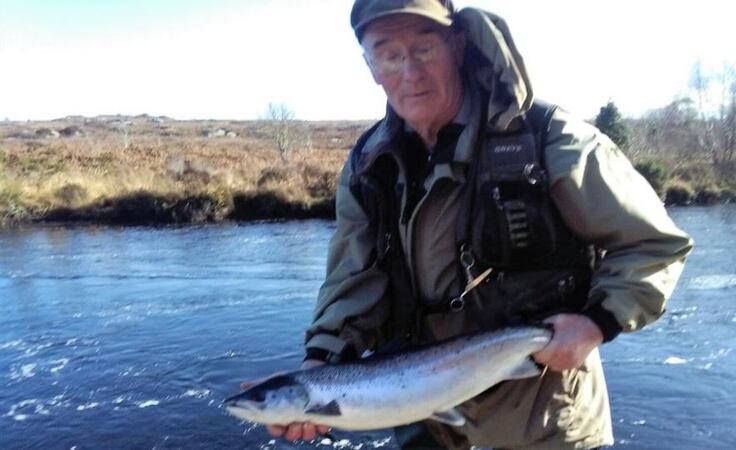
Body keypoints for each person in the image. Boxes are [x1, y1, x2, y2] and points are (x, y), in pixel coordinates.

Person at [262, 0, 693, 448]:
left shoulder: (552, 139)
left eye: (425, 48)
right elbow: (354, 277)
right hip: (423, 420)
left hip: (544, 424)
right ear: (369, 65)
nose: (409, 70)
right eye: (388, 54)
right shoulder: (369, 165)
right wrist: (321, 363)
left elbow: (654, 245)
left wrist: (597, 323)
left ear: (458, 45)